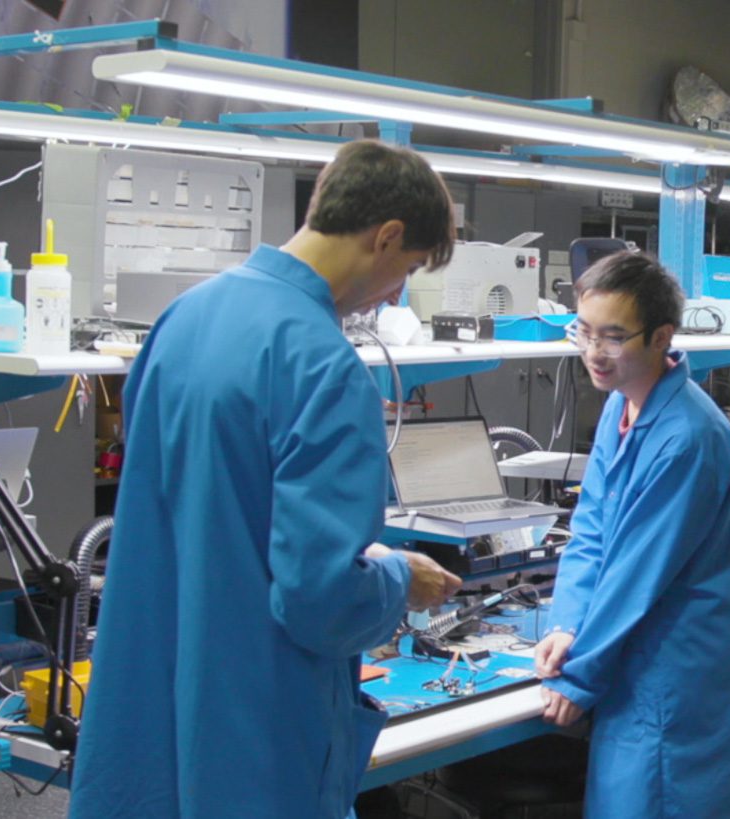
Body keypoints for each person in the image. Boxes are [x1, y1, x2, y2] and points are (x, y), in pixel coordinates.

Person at [69, 140, 465, 818]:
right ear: (387, 235)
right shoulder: (325, 365)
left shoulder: (182, 319)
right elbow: (321, 596)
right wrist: (400, 577)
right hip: (251, 734)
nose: (399, 290)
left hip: (149, 707)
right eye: (410, 267)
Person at [532, 251, 730, 816]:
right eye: (582, 332)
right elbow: (592, 529)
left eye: (612, 337)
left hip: (675, 662)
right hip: (631, 648)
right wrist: (566, 624)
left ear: (661, 337)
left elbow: (636, 570)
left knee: (659, 798)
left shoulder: (689, 437)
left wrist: (578, 678)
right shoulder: (621, 405)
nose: (592, 353)